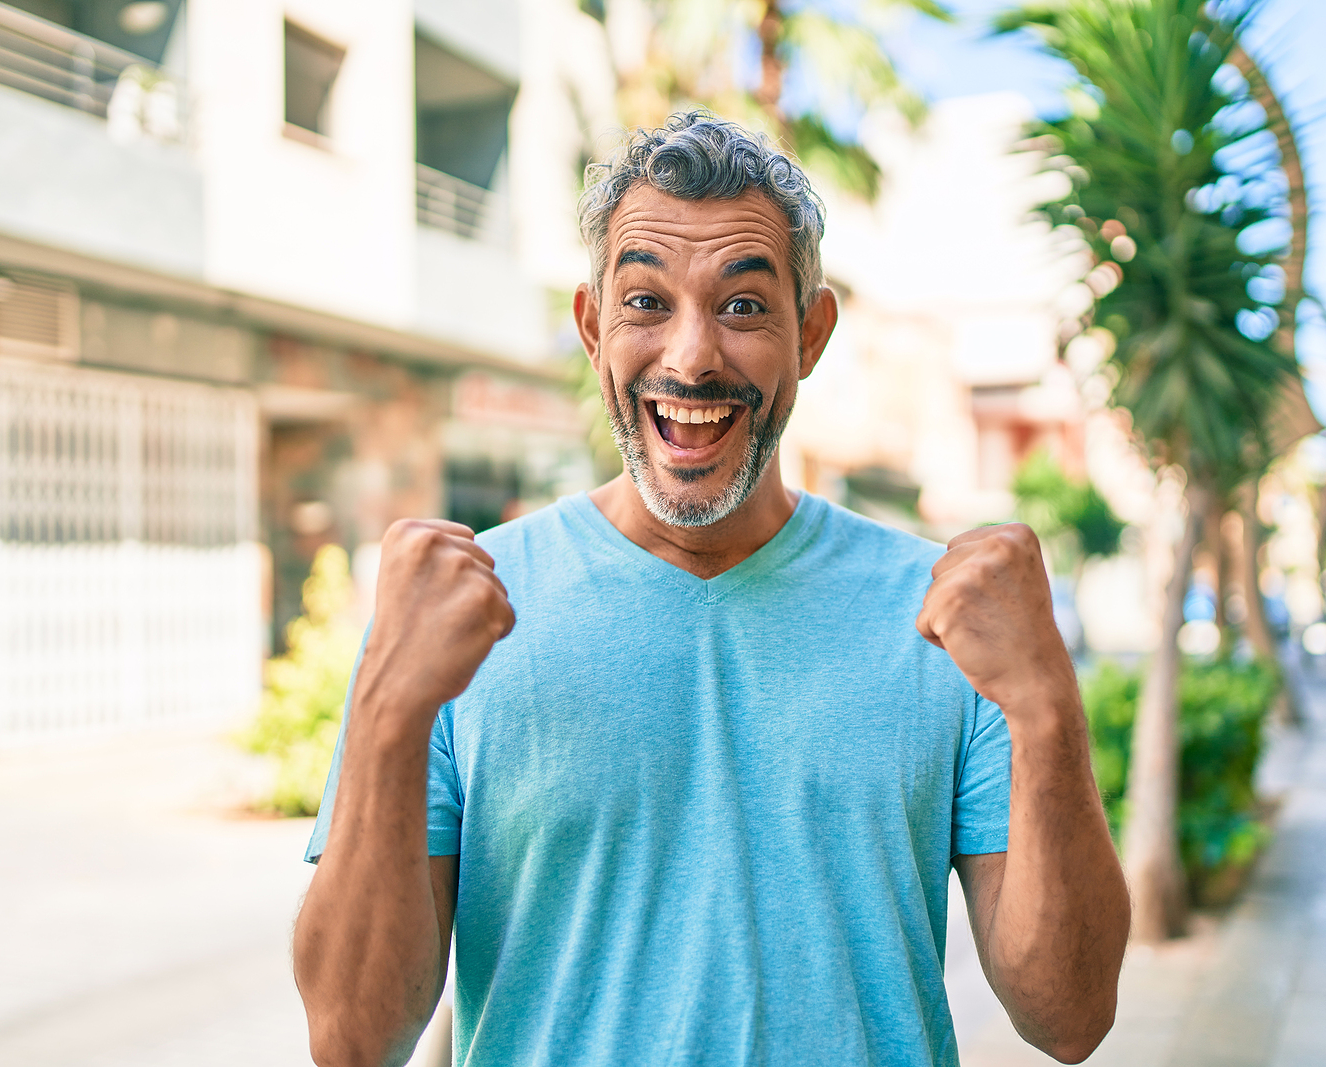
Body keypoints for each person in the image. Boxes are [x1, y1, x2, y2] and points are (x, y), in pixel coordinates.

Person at [293, 111, 1130, 1067]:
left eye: (742, 307)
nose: (691, 359)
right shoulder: (459, 614)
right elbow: (351, 1041)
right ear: (591, 325)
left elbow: (1069, 1018)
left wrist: (1048, 706)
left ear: (810, 335)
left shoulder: (942, 619)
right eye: (646, 302)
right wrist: (388, 709)